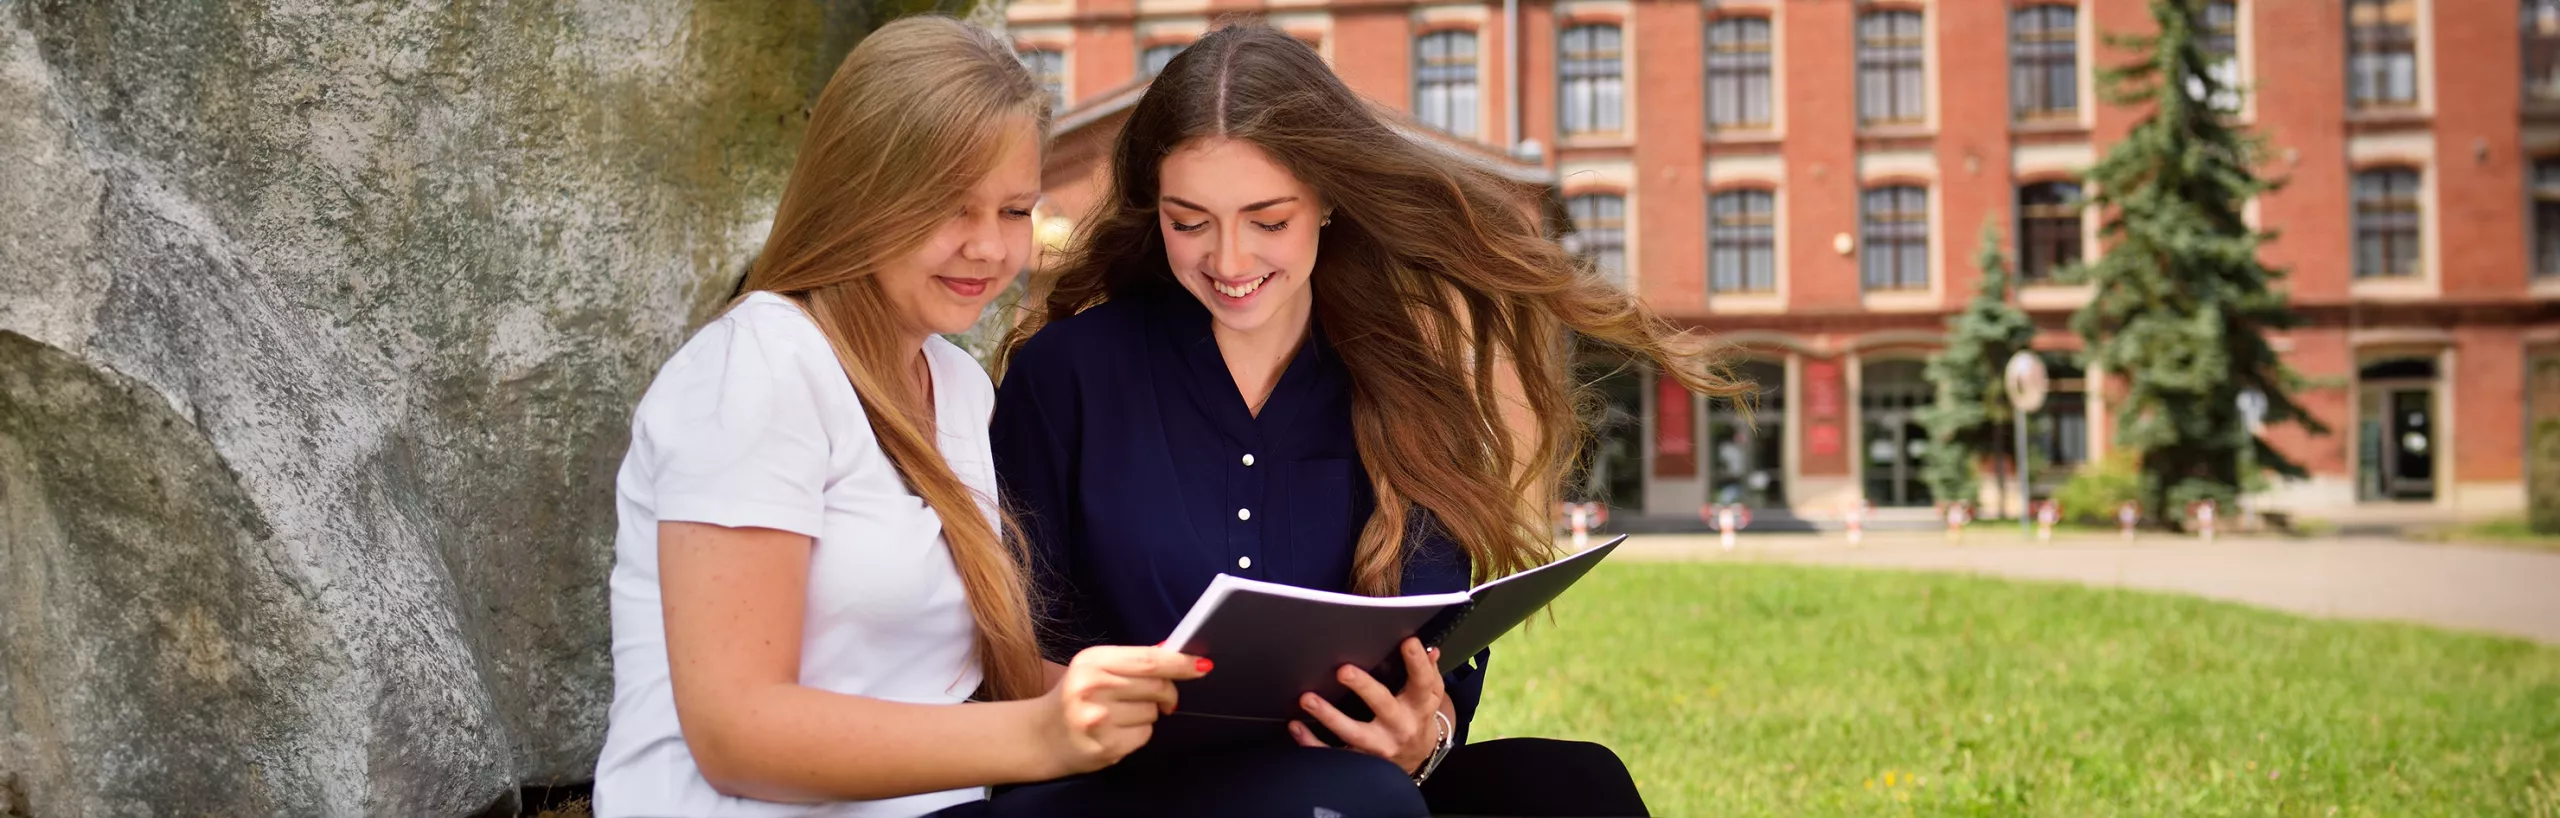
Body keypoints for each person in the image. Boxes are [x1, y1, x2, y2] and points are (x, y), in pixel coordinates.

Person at [990, 23, 1739, 817]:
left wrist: (1427, 732)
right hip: (1125, 790)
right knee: (1357, 798)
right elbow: (1006, 649)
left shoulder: (1400, 381)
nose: (1231, 261)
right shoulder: (1066, 375)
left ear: (1329, 199)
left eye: (1268, 220)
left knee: (1574, 784)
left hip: (1359, 781)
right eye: (1190, 222)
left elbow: (1440, 642)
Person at [591, 18, 1213, 818]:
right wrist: (1039, 736)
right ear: (860, 193)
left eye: (1016, 211)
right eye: (951, 209)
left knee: (1333, 788)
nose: (989, 249)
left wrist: (1217, 707)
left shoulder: (955, 386)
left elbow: (994, 687)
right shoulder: (758, 369)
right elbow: (737, 735)